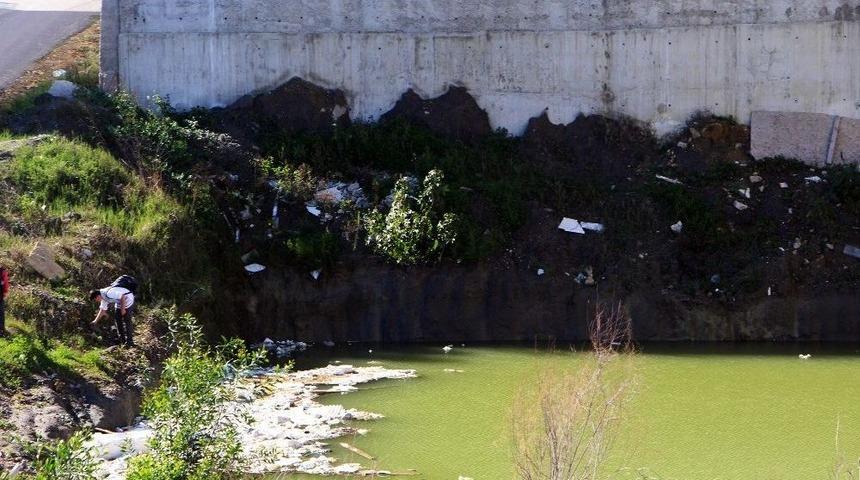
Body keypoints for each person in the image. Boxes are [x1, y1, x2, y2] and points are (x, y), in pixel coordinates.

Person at [0, 265, 8, 337]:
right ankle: (1, 330)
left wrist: (5, 292)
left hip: (0, 296)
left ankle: (1, 330)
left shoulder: (2, 271)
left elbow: (5, 283)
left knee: (1, 313)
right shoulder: (3, 271)